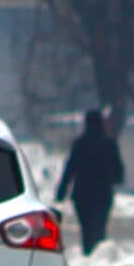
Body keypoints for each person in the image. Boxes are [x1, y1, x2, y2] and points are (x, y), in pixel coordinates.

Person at [55, 108, 125, 256]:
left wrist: (61, 192)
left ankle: (88, 253)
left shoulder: (79, 144)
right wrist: (114, 178)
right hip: (102, 193)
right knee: (99, 227)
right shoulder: (109, 144)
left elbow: (70, 168)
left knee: (86, 228)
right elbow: (118, 171)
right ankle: (99, 254)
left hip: (82, 193)